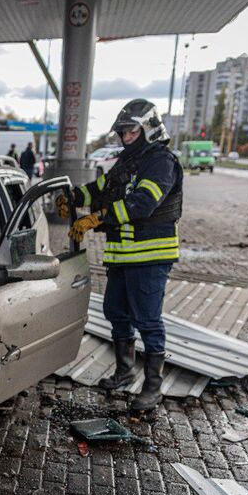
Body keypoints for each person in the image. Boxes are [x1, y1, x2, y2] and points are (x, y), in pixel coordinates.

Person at [66, 99, 183, 412]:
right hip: (121, 257)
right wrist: (70, 196)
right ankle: (124, 371)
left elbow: (142, 204)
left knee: (147, 320)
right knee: (116, 312)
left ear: (148, 128)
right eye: (122, 132)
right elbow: (100, 188)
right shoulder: (127, 162)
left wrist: (97, 218)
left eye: (131, 131)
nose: (126, 137)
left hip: (149, 257)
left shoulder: (160, 162)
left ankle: (153, 387)